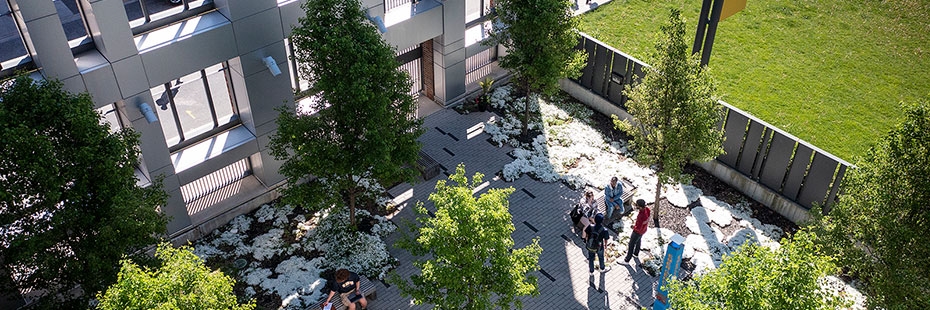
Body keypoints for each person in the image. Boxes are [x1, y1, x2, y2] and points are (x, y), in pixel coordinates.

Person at [624, 199, 650, 265]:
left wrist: (633, 227)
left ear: (640, 207)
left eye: (637, 205)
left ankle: (627, 260)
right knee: (638, 241)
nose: (636, 206)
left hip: (637, 232)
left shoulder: (641, 215)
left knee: (631, 244)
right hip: (643, 230)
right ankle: (636, 253)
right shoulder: (647, 210)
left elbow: (638, 227)